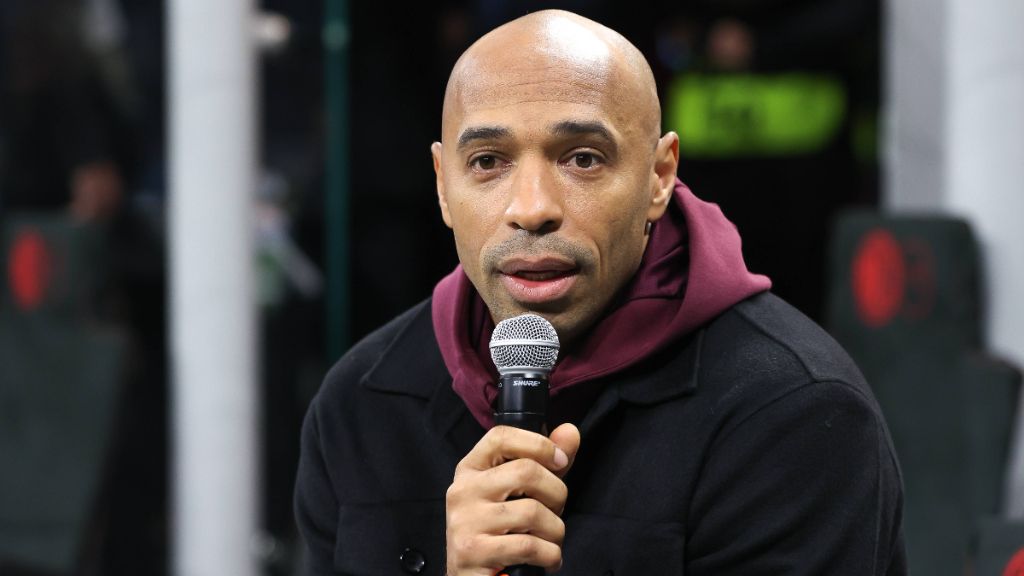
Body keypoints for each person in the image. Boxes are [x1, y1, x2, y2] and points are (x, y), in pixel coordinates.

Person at [295, 9, 905, 575]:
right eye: (487, 162)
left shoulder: (795, 414)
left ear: (658, 178)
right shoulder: (359, 405)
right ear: (442, 187)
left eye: (582, 159)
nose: (531, 209)